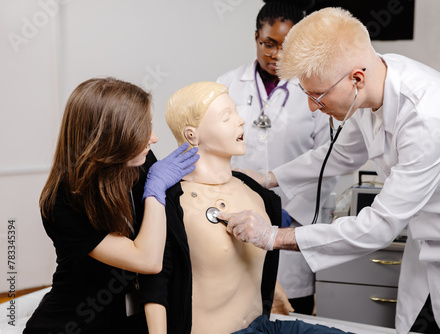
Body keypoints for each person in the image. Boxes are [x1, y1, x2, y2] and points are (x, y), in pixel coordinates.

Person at [221, 7, 440, 334]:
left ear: (356, 78)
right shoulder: (374, 83)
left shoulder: (429, 118)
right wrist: (269, 178)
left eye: (318, 95)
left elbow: (379, 226)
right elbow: (338, 154)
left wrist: (273, 236)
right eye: (306, 93)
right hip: (427, 245)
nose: (312, 106)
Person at [24, 77, 199, 333]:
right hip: (76, 323)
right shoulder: (61, 201)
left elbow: (167, 245)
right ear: (111, 137)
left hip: (133, 318)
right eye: (142, 130)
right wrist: (155, 189)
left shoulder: (140, 160)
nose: (154, 138)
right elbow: (148, 260)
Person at [217, 0, 337, 315]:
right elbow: (212, 152)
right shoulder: (226, 85)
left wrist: (290, 213)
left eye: (287, 45)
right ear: (256, 36)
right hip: (236, 219)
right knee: (240, 308)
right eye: (268, 44)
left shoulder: (316, 87)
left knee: (289, 310)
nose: (277, 54)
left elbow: (329, 162)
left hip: (293, 219)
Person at [138, 81, 282, 334]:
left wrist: (274, 289)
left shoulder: (258, 194)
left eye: (236, 113)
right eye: (227, 118)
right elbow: (156, 281)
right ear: (192, 134)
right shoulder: (172, 202)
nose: (241, 121)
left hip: (263, 327)